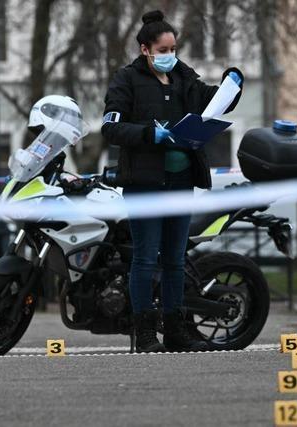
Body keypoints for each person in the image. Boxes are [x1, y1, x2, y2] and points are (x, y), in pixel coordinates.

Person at [101, 10, 244, 353]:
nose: (170, 55)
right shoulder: (126, 80)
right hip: (145, 184)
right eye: (163, 49)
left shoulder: (183, 76)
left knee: (175, 260)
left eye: (173, 48)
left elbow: (214, 101)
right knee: (146, 258)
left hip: (181, 180)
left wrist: (233, 82)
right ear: (145, 49)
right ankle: (146, 334)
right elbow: (111, 127)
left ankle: (177, 330)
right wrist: (151, 134)